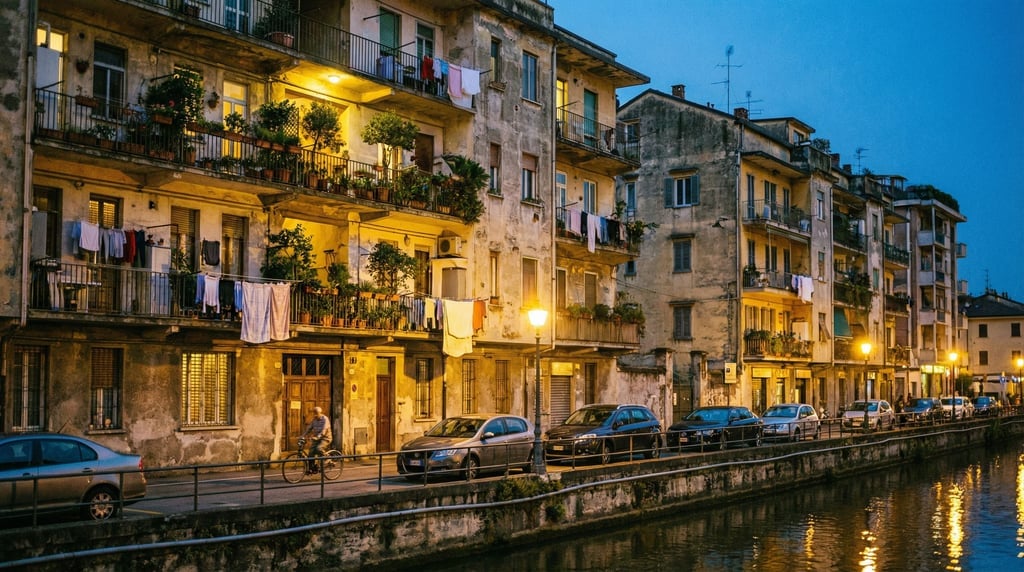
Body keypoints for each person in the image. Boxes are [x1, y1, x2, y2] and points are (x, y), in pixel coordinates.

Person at [302, 406, 332, 474]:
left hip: (325, 438)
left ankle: (328, 458)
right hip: (317, 438)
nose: (315, 415)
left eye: (316, 413)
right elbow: (309, 428)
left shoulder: (325, 419)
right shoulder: (314, 420)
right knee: (311, 452)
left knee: (318, 448)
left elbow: (324, 430)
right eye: (314, 413)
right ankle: (311, 469)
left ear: (320, 413)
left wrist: (318, 437)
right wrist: (303, 435)